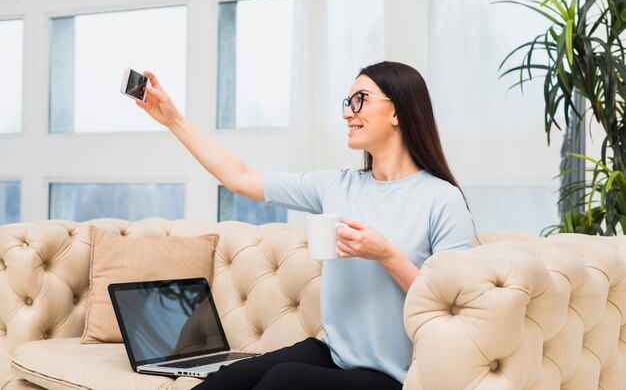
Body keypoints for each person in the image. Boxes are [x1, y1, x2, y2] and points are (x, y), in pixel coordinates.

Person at [134, 61, 476, 390]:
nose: (347, 112)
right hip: (334, 353)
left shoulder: (441, 199)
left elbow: (455, 309)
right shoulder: (337, 186)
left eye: (360, 100)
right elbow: (240, 177)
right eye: (347, 102)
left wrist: (386, 255)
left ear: (397, 111)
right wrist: (173, 120)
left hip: (397, 374)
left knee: (284, 380)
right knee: (228, 379)